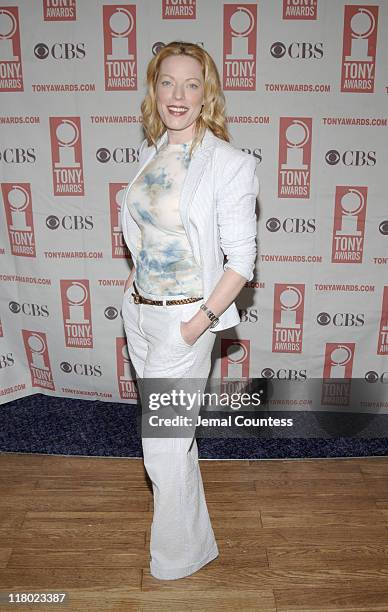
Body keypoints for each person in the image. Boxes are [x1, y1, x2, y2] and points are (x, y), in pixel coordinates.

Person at [120, 41, 259, 580]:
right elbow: (146, 233)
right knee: (175, 440)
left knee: (160, 445)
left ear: (207, 95)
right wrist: (133, 293)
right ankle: (196, 542)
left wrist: (196, 324)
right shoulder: (152, 151)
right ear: (155, 91)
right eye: (167, 82)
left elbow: (242, 261)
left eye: (191, 83)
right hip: (139, 313)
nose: (178, 94)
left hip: (184, 320)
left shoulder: (228, 163)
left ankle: (176, 560)